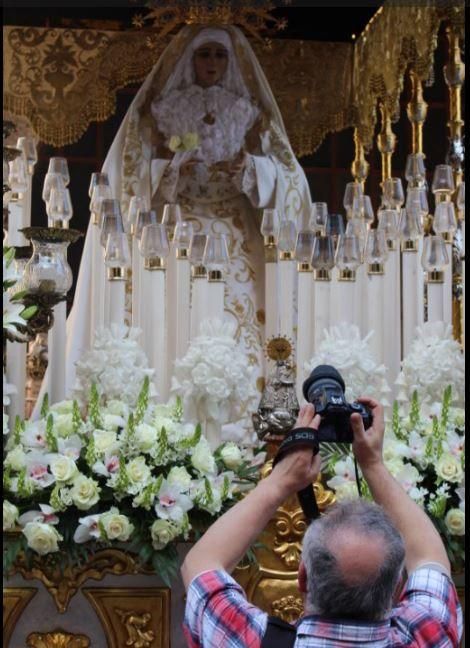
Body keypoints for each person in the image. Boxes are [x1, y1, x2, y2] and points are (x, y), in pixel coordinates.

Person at [33, 24, 312, 417]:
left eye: (219, 55)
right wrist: (170, 171)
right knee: (169, 317)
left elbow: (291, 179)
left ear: (231, 62)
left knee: (242, 325)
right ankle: (163, 414)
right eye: (204, 54)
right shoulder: (158, 114)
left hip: (236, 236)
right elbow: (127, 174)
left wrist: (250, 170)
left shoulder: (253, 116)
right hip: (171, 230)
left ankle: (249, 420)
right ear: (189, 60)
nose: (211, 64)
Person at [181, 398, 463, 647]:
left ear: (302, 577)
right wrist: (373, 464)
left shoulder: (250, 640)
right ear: (395, 590)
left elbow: (201, 565)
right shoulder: (427, 635)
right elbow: (429, 556)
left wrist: (283, 479)